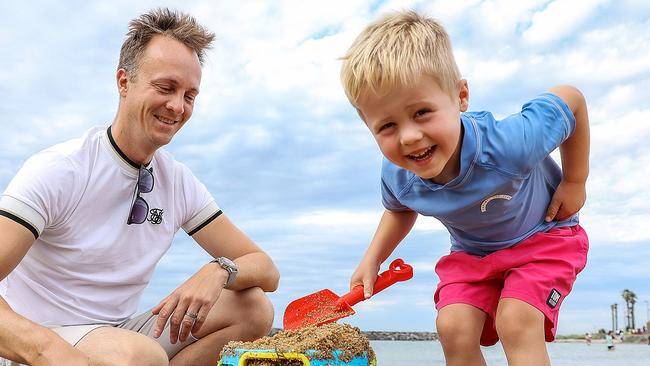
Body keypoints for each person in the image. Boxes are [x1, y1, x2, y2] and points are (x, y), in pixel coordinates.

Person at [0, 8, 279, 366]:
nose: (177, 106)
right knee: (140, 356)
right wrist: (48, 351)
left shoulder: (177, 181)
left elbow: (266, 268)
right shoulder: (61, 169)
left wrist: (219, 270)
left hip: (118, 334)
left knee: (252, 307)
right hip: (36, 343)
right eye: (166, 88)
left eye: (189, 95)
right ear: (123, 82)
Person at [339, 10, 589, 366]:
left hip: (545, 238)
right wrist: (372, 259)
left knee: (515, 320)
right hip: (474, 256)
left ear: (460, 96)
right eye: (387, 126)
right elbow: (399, 208)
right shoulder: (399, 174)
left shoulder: (509, 145)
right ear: (369, 126)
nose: (409, 136)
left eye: (422, 112)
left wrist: (574, 180)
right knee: (452, 326)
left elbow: (572, 99)